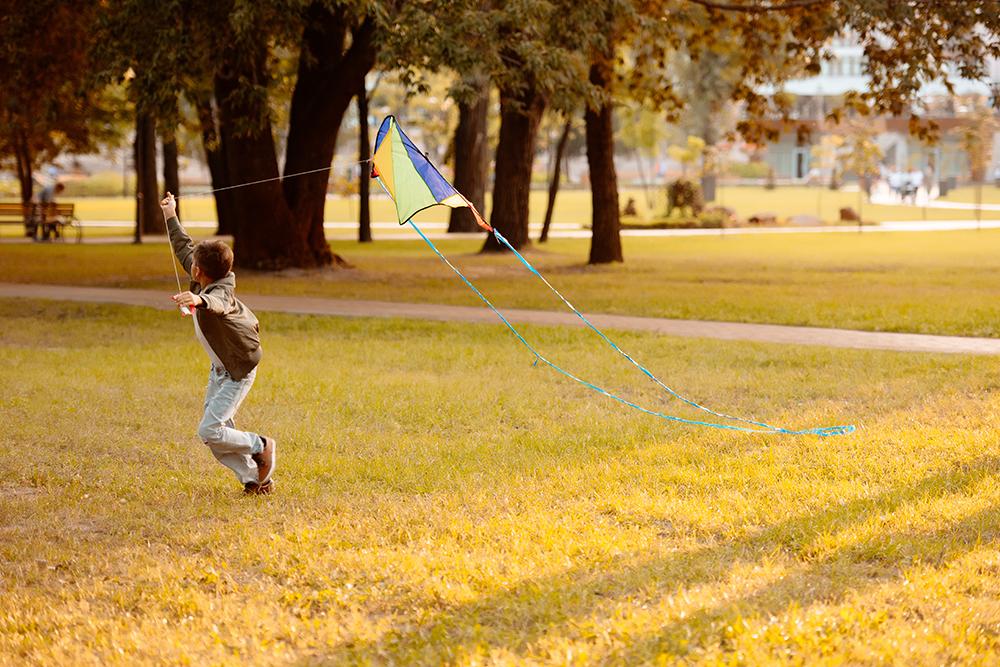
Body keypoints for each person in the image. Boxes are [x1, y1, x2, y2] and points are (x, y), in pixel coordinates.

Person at [159, 192, 277, 495]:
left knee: (209, 430)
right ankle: (255, 480)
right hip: (220, 371)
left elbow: (218, 304)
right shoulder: (203, 276)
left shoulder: (218, 291)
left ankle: (260, 445)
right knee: (215, 435)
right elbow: (183, 247)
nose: (190, 263)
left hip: (238, 372)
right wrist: (171, 214)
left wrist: (198, 299)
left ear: (199, 272)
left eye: (193, 264)